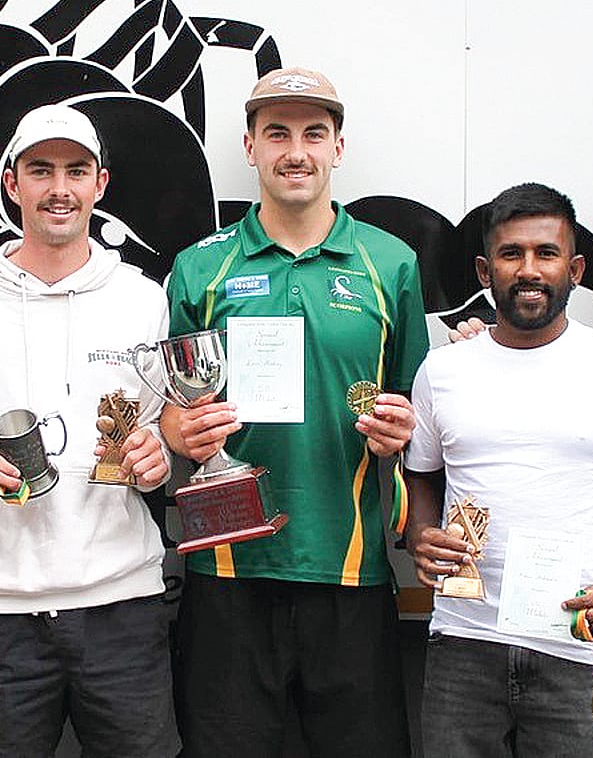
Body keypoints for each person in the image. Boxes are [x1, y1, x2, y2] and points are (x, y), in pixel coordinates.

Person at [161, 67, 428, 756]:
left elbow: (421, 413)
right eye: (276, 132)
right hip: (226, 572)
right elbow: (167, 414)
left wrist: (402, 432)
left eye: (314, 132)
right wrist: (178, 429)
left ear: (339, 147)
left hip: (350, 569)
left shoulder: (389, 263)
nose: (296, 151)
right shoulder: (199, 267)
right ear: (249, 147)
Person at [0, 104, 178, 757]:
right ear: (12, 184)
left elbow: (164, 424)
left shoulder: (143, 297)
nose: (59, 188)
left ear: (100, 185)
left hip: (124, 607)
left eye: (75, 171)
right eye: (40, 170)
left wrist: (160, 454)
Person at [404, 182, 593, 756]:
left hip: (577, 640)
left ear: (575, 269)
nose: (529, 270)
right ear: (485, 271)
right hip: (464, 642)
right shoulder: (442, 371)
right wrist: (418, 534)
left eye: (546, 254)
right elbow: (421, 476)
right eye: (511, 254)